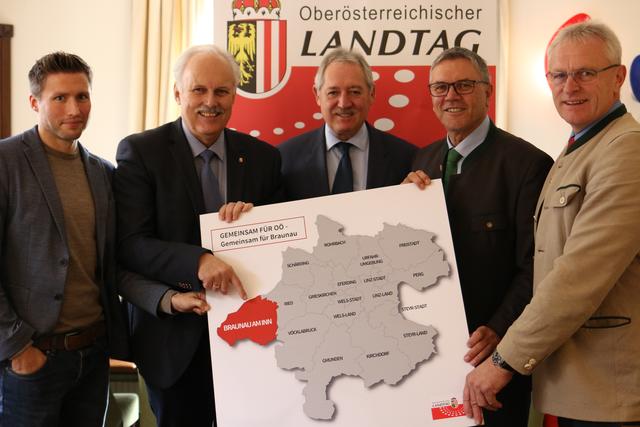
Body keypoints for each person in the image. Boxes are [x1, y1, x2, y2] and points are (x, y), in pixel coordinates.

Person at [463, 21, 640, 427]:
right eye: (559, 75)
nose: (570, 86)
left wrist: (503, 359)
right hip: (576, 385)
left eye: (585, 73)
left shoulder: (625, 151)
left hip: (609, 395)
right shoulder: (579, 148)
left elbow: (577, 277)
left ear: (618, 77)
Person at [114, 44, 282, 427]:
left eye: (222, 91)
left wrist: (257, 223)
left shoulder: (263, 158)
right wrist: (199, 261)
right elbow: (131, 244)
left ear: (235, 96)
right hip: (174, 343)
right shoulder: (141, 152)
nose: (211, 102)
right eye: (198, 90)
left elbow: (280, 244)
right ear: (177, 94)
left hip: (254, 341)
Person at [405, 47, 553, 426]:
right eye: (440, 87)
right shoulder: (421, 162)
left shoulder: (527, 165)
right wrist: (402, 206)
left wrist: (500, 327)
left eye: (464, 85)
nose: (451, 95)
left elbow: (536, 263)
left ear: (487, 90)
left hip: (494, 361)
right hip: (426, 359)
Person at [0, 52, 129, 426]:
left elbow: (113, 263)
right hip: (32, 360)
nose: (74, 108)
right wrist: (18, 347)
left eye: (82, 96)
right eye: (60, 98)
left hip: (92, 355)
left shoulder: (104, 172)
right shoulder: (6, 163)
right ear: (34, 102)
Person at [278, 47, 416, 200]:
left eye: (354, 91)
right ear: (317, 95)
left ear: (372, 94)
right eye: (333, 92)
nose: (344, 103)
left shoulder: (406, 158)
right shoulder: (285, 159)